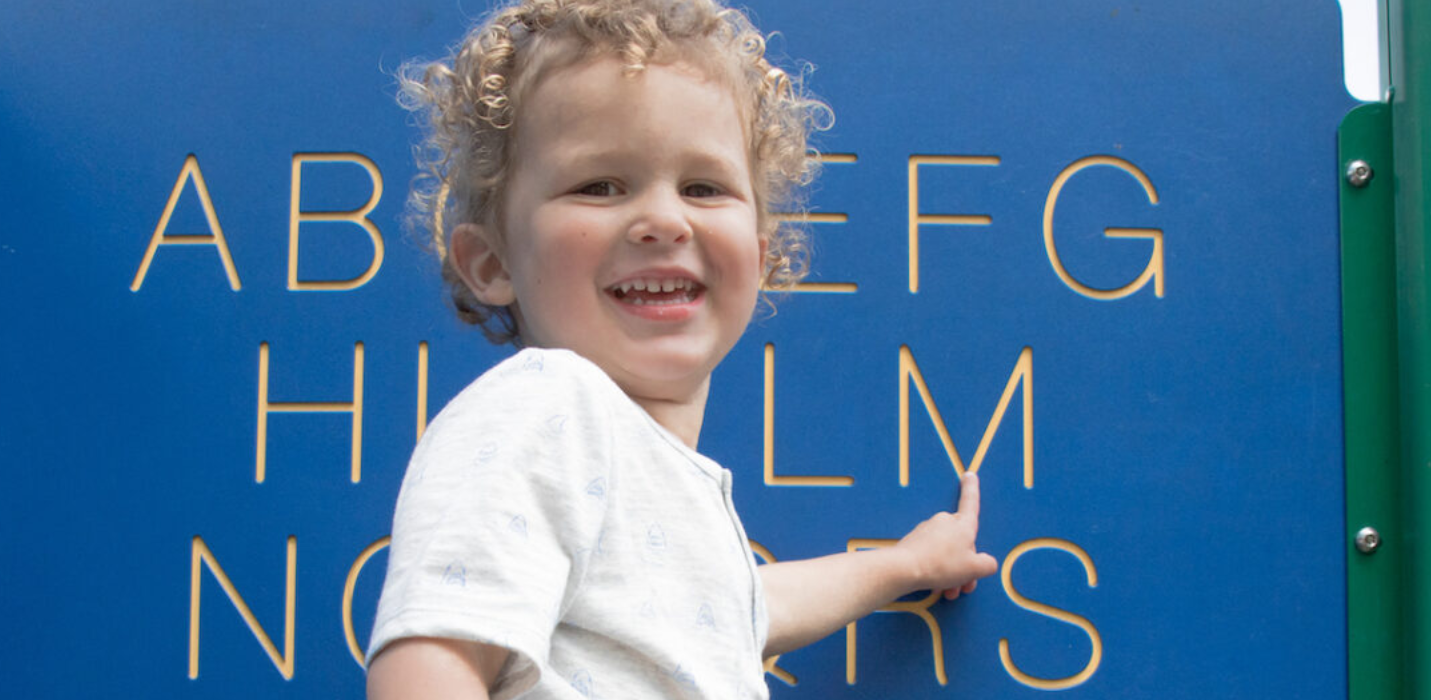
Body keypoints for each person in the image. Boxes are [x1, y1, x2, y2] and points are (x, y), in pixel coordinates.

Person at [366, 1, 998, 697]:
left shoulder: (646, 471)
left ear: (760, 258)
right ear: (492, 263)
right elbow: (432, 658)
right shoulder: (545, 405)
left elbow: (744, 606)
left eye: (703, 187)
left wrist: (903, 566)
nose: (664, 219)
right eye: (599, 186)